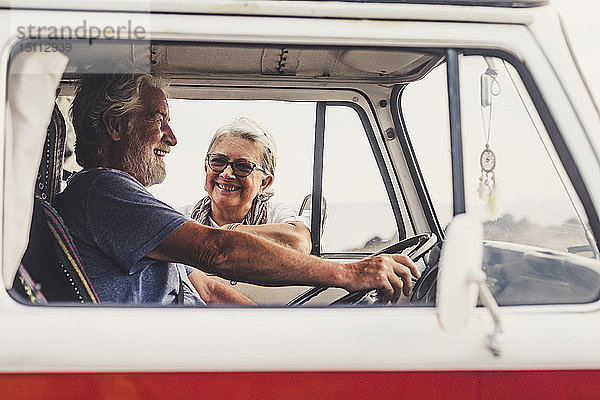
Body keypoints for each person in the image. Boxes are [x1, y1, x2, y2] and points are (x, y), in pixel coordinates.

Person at [55, 67, 420, 306]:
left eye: (243, 166)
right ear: (115, 126)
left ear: (266, 182)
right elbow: (218, 252)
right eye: (158, 118)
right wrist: (348, 272)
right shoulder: (102, 192)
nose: (173, 137)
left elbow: (210, 288)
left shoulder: (123, 201)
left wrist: (281, 334)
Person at [186, 117, 311, 254]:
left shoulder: (274, 216)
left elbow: (300, 242)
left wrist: (229, 232)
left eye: (243, 166)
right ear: (206, 168)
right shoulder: (184, 217)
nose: (227, 174)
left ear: (264, 183)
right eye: (218, 161)